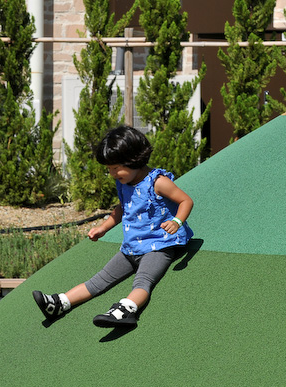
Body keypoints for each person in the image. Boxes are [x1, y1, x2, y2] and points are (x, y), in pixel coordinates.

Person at [32, 125, 194, 327]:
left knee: (143, 280)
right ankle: (61, 303)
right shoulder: (124, 182)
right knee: (100, 279)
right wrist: (104, 227)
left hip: (159, 246)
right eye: (108, 169)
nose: (111, 173)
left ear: (134, 159)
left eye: (115, 168)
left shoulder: (158, 182)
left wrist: (177, 221)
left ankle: (127, 309)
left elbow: (186, 201)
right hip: (132, 246)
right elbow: (122, 208)